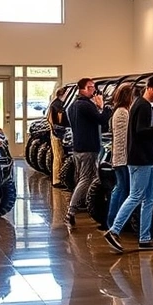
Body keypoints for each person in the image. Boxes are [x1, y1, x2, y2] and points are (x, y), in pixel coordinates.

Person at [104, 76, 153, 252]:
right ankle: (114, 230)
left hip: (147, 158)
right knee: (136, 196)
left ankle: (145, 238)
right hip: (141, 160)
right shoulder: (142, 106)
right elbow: (140, 132)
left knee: (150, 198)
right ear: (149, 88)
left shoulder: (141, 106)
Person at [65, 78, 111, 227]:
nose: (93, 90)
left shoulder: (72, 106)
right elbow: (102, 119)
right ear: (82, 89)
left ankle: (95, 207)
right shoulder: (85, 105)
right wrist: (103, 107)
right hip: (88, 148)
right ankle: (71, 211)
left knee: (86, 178)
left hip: (78, 147)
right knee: (86, 179)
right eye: (90, 87)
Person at [103, 83, 135, 232]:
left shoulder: (117, 111)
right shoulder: (123, 113)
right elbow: (126, 137)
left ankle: (113, 220)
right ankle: (117, 222)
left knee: (119, 188)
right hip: (123, 158)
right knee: (123, 189)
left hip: (118, 157)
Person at [48, 86, 71, 189]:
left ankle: (57, 179)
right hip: (57, 133)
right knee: (58, 157)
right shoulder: (57, 105)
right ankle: (57, 180)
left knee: (59, 156)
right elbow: (56, 122)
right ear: (63, 94)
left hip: (57, 132)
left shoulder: (56, 104)